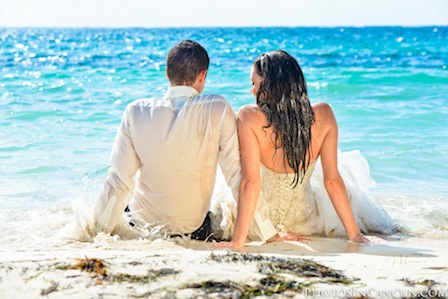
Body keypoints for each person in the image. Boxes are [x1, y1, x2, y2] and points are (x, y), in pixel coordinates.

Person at [90, 40, 277, 241]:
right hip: (193, 230)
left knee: (125, 195)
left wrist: (96, 235)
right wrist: (268, 233)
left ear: (167, 73)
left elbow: (119, 181)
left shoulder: (136, 111)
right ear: (202, 75)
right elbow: (237, 178)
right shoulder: (217, 108)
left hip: (141, 226)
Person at [215, 50, 394, 250]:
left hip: (257, 226)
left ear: (269, 85)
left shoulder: (249, 116)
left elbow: (250, 183)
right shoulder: (324, 114)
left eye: (254, 83)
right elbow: (332, 181)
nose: (251, 90)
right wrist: (356, 235)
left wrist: (237, 241)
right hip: (306, 224)